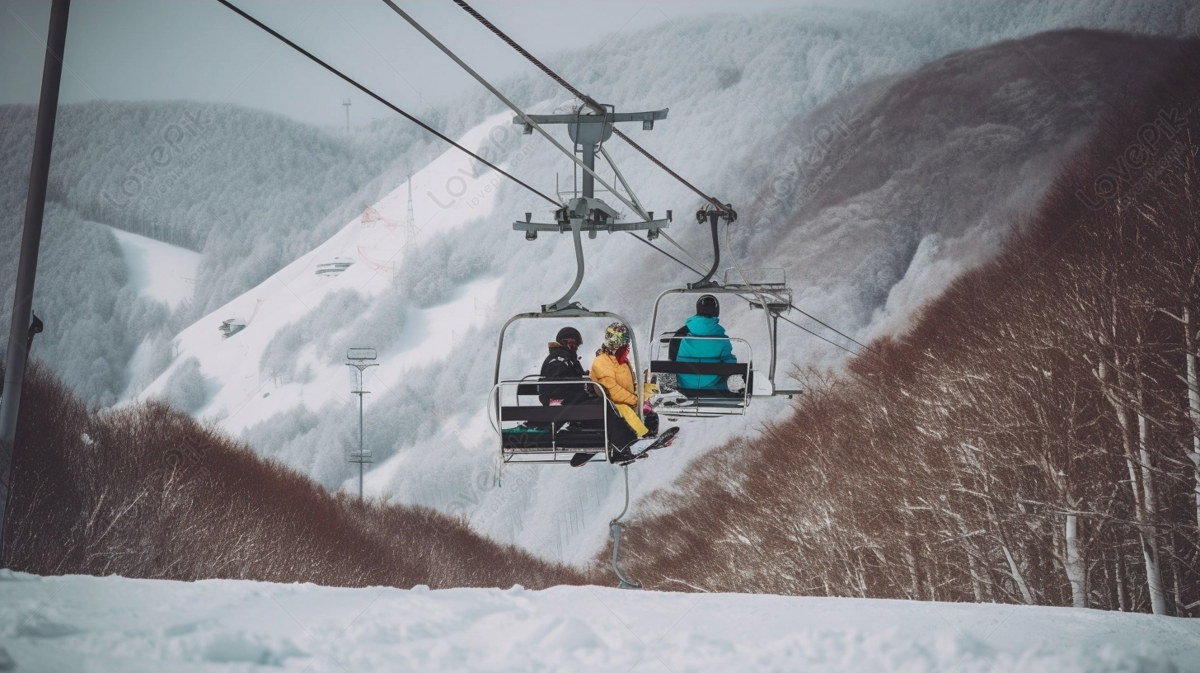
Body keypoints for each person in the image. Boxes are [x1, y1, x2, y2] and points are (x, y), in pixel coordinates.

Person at [591, 323, 676, 463]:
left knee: (649, 399)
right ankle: (644, 437)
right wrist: (635, 399)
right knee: (626, 411)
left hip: (625, 400)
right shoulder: (602, 362)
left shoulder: (622, 362)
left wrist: (645, 390)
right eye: (625, 346)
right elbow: (612, 390)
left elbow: (627, 385)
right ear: (616, 345)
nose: (628, 349)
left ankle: (651, 432)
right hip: (612, 404)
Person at [669, 295, 740, 395]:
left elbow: (672, 359)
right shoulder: (721, 336)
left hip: (684, 381)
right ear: (716, 311)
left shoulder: (681, 334)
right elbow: (728, 361)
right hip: (711, 382)